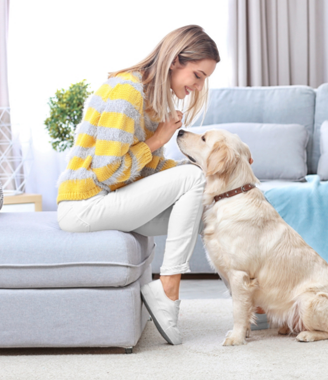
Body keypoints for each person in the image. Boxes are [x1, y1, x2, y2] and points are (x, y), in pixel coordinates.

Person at [56, 25, 219, 345]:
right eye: (197, 75)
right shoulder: (128, 92)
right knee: (193, 177)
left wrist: (209, 175)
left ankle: (252, 296)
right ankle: (168, 291)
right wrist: (160, 138)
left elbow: (148, 170)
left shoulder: (151, 100)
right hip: (84, 205)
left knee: (207, 208)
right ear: (175, 61)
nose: (198, 87)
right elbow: (107, 172)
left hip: (108, 201)